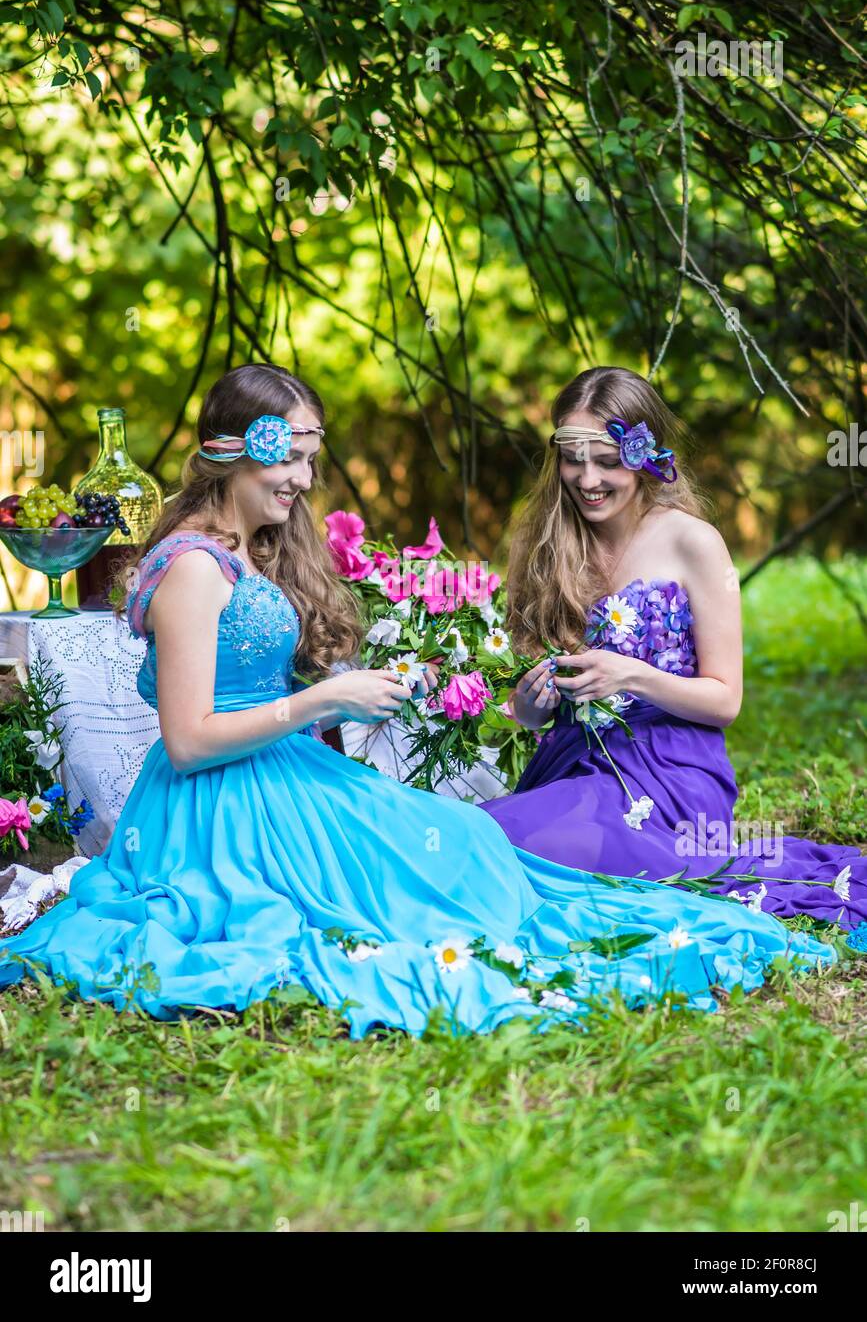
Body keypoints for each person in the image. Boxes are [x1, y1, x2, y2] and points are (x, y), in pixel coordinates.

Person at [0, 365, 835, 1035]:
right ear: (232, 450)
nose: (301, 477)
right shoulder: (196, 563)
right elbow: (188, 740)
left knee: (458, 845)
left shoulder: (240, 550)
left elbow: (722, 697)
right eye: (287, 455)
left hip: (654, 771)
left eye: (308, 457)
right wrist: (327, 701)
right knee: (444, 865)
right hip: (225, 799)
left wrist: (342, 698)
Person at [480, 366, 863, 929]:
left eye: (607, 460)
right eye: (573, 459)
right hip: (572, 762)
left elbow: (725, 699)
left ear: (644, 455)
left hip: (672, 775)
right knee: (482, 837)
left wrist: (631, 676)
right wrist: (533, 706)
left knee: (512, 849)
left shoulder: (693, 542)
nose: (587, 479)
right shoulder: (549, 545)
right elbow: (531, 703)